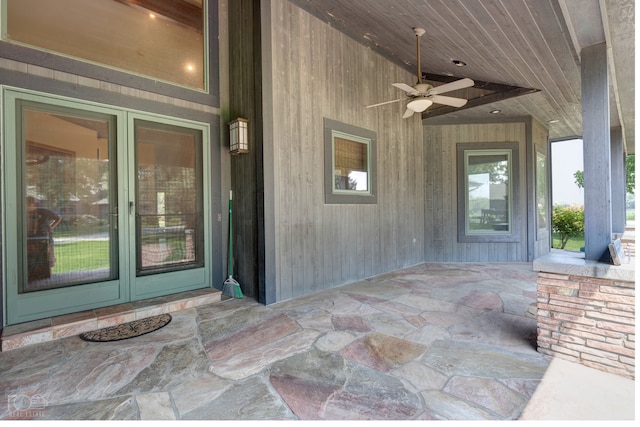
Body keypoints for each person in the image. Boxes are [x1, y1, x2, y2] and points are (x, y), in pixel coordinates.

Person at [26, 196, 62, 268]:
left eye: (27, 205)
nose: (26, 208)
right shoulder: (23, 213)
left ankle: (49, 269)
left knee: (49, 257)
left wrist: (52, 227)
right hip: (31, 238)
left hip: (45, 237)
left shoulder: (44, 211)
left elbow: (58, 217)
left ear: (33, 204)